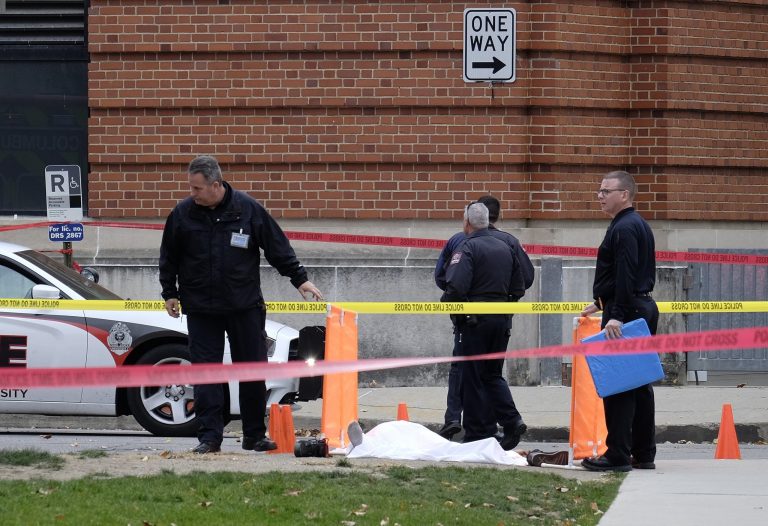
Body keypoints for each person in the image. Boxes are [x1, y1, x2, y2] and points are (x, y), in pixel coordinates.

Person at [159, 155, 324, 454]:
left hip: (243, 305)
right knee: (206, 373)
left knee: (251, 370)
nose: (192, 194)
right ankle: (210, 438)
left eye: (197, 188)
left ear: (216, 185)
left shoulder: (247, 209)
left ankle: (254, 435)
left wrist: (299, 279)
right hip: (201, 307)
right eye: (190, 187)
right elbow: (169, 255)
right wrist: (169, 292)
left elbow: (276, 246)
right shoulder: (183, 213)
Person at [434, 195, 534, 440]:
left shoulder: (466, 246)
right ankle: (511, 420)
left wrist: (449, 303)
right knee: (492, 374)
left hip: (473, 320)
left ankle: (477, 432)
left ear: (467, 222)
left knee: (471, 375)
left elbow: (454, 285)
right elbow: (521, 285)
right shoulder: (507, 245)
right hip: (501, 320)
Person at [579, 170, 659, 472]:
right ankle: (643, 452)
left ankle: (618, 454)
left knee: (619, 386)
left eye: (606, 191)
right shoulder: (635, 224)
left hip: (628, 311)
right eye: (599, 191)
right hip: (636, 306)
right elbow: (624, 275)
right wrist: (601, 302)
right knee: (638, 384)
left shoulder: (625, 227)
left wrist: (616, 315)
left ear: (623, 194)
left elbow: (626, 272)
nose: (600, 196)